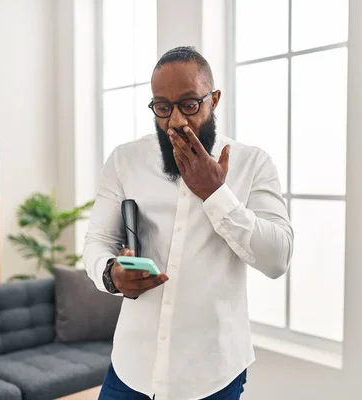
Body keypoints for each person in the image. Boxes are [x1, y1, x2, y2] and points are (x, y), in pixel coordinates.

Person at [83, 46, 294, 400]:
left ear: (214, 99)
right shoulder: (125, 160)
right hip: (132, 368)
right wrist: (110, 275)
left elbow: (278, 258)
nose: (176, 121)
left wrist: (215, 194)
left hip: (212, 375)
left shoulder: (253, 164)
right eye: (162, 108)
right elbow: (97, 241)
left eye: (189, 105)